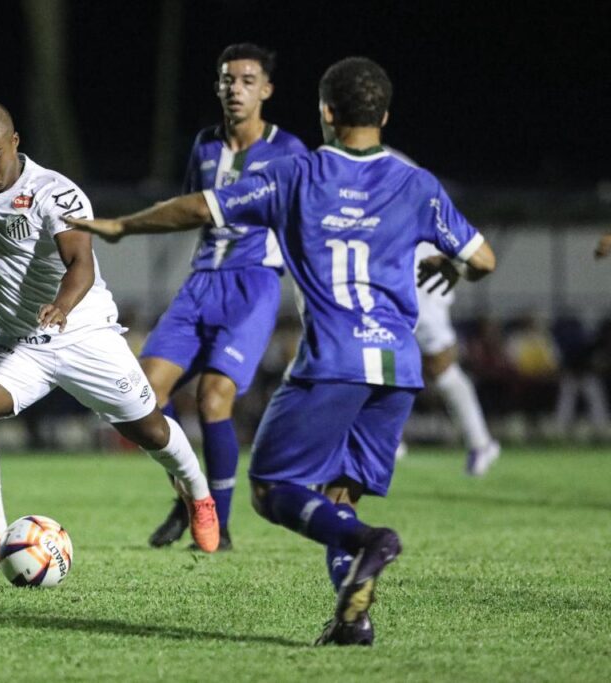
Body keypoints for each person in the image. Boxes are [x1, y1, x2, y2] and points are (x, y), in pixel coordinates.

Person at [66, 57, 496, 645]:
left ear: (325, 113)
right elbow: (483, 260)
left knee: (271, 489)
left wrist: (120, 227)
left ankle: (372, 543)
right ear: (386, 116)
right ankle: (354, 619)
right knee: (337, 497)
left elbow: (201, 207)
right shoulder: (417, 184)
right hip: (397, 368)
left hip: (333, 362)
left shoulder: (297, 173)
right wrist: (450, 263)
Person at [0, 101, 220, 571]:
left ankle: (197, 491)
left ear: (15, 142)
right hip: (17, 343)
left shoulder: (55, 193)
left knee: (148, 428)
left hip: (82, 334)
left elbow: (81, 264)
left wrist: (62, 306)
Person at [144, 43, 307, 551]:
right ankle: (192, 496)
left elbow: (305, 223)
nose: (235, 88)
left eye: (247, 79)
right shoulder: (204, 146)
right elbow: (195, 208)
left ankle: (221, 527)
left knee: (215, 399)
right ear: (218, 87)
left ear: (266, 90)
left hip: (252, 282)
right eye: (227, 79)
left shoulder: (290, 152)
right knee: (142, 393)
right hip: (200, 283)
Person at [408, 243, 500, 475]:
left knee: (440, 367)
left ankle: (480, 443)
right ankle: (379, 440)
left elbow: (474, 251)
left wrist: (455, 263)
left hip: (424, 284)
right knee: (373, 354)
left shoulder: (431, 207)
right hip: (385, 274)